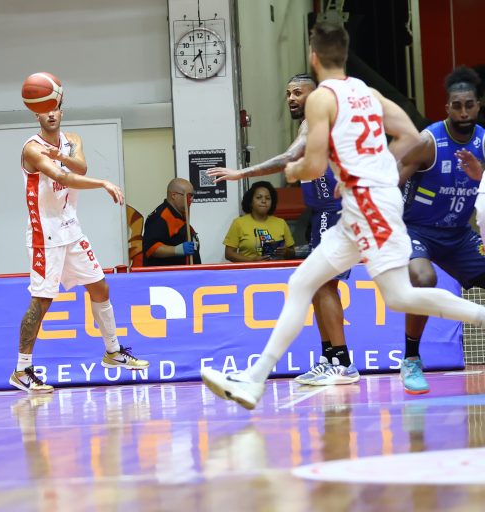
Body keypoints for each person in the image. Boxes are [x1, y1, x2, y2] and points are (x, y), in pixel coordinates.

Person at [201, 21, 485, 410]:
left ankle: (255, 379)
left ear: (314, 57)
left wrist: (295, 172)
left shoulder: (323, 98)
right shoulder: (368, 93)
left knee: (400, 296)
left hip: (369, 207)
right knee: (304, 282)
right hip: (363, 205)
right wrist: (368, 170)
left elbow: (313, 165)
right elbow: (410, 135)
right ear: (345, 55)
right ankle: (254, 380)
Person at [208, 74, 358, 386]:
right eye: (288, 93)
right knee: (317, 286)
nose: (291, 98)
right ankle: (329, 358)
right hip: (321, 215)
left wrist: (241, 173)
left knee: (323, 285)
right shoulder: (310, 124)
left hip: (336, 213)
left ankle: (343, 363)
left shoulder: (318, 120)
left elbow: (290, 157)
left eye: (298, 93)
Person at [12, 97, 148, 393]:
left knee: (100, 287)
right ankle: (22, 369)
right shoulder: (32, 148)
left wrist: (61, 154)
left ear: (61, 111)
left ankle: (113, 352)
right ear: (36, 116)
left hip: (71, 230)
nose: (50, 114)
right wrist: (103, 183)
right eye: (44, 110)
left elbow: (80, 167)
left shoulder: (72, 139)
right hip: (45, 236)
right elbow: (62, 175)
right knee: (42, 300)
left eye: (54, 108)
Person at [397, 66, 485, 394]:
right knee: (424, 279)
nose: (463, 112)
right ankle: (411, 358)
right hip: (417, 230)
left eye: (469, 105)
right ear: (447, 107)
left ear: (478, 105)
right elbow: (391, 183)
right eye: (456, 106)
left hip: (459, 235)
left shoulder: (483, 141)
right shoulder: (428, 141)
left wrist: (480, 175)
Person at [222, 181, 295, 262]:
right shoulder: (239, 223)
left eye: (268, 198)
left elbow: (292, 253)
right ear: (251, 202)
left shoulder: (281, 223)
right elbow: (229, 254)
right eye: (259, 197)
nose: (264, 201)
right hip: (250, 269)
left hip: (276, 269)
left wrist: (286, 252)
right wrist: (252, 261)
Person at [142, 178, 201, 266]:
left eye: (192, 196)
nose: (191, 199)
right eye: (189, 196)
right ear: (174, 195)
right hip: (168, 273)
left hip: (186, 272)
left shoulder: (181, 213)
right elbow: (151, 248)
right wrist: (177, 250)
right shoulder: (160, 217)